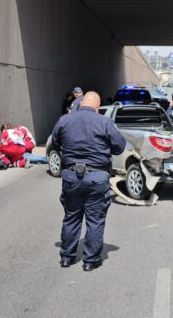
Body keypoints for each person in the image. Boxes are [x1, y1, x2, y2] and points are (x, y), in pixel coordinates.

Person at [51, 91, 126, 271]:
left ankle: (67, 258)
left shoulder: (64, 120)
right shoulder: (104, 122)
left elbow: (55, 142)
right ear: (98, 106)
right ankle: (90, 261)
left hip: (70, 176)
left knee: (71, 216)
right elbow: (119, 147)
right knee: (95, 219)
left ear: (81, 102)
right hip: (96, 177)